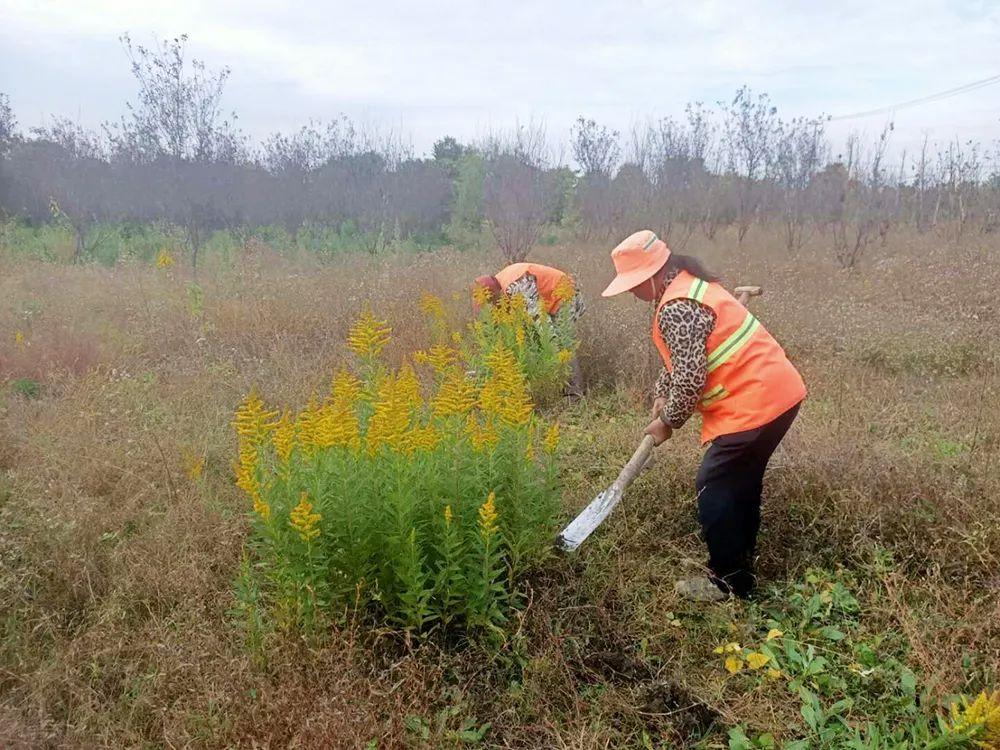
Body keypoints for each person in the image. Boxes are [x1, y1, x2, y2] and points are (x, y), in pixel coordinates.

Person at [601, 230, 806, 602]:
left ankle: (726, 582)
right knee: (742, 484)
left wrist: (667, 422)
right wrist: (662, 394)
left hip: (754, 403)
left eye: (633, 285)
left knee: (714, 487)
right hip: (781, 394)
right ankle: (741, 570)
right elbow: (684, 360)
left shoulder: (677, 306)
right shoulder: (691, 285)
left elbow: (692, 377)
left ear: (651, 275)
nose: (632, 294)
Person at [473, 262, 586, 395]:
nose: (491, 308)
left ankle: (575, 392)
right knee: (535, 340)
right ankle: (553, 385)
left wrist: (554, 350)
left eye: (490, 303)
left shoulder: (518, 286)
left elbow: (541, 320)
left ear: (496, 295)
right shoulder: (494, 285)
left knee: (561, 343)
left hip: (565, 295)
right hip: (544, 302)